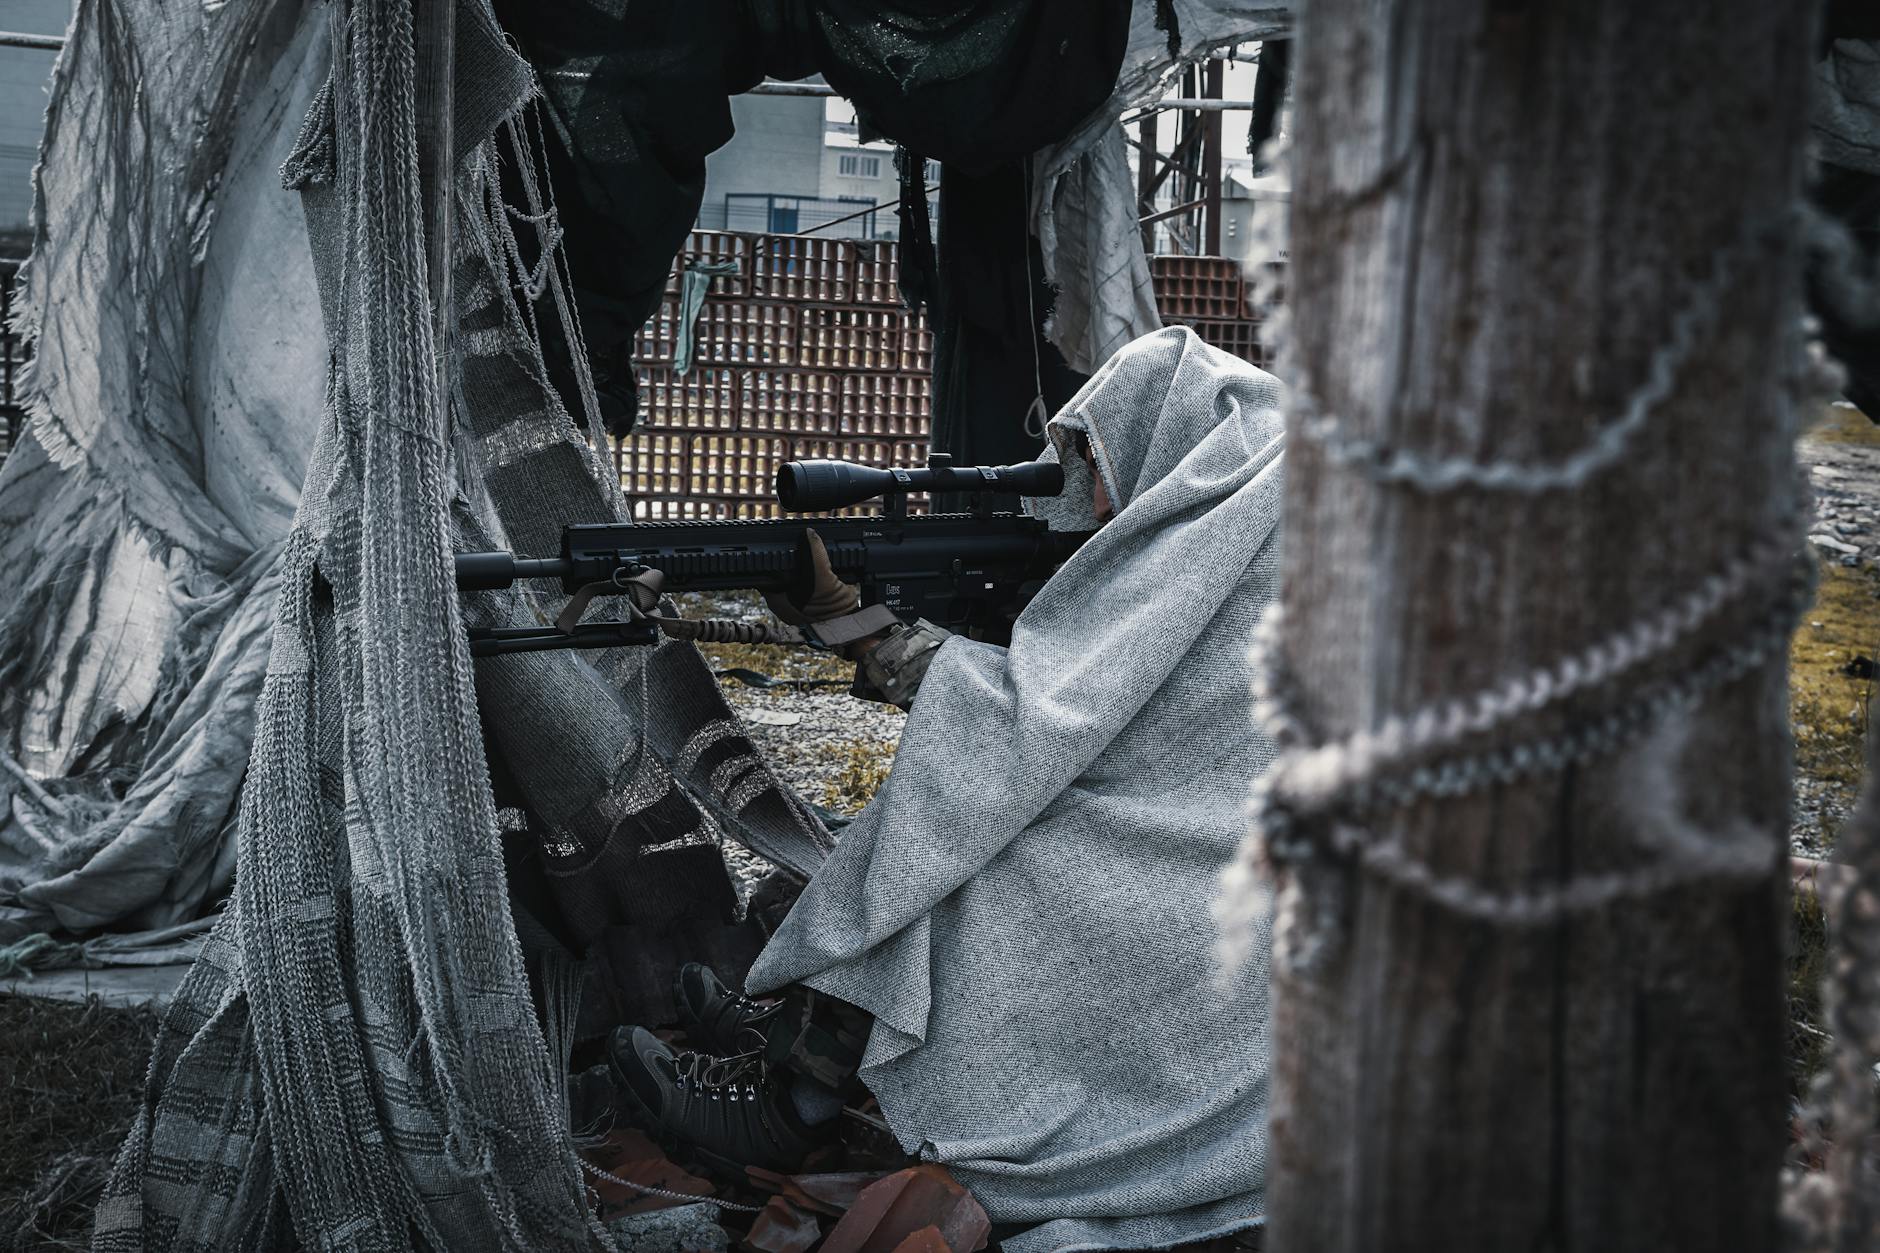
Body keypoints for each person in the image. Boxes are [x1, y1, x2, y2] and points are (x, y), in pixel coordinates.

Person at [608, 326, 1287, 1252]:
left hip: (1246, 882)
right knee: (986, 799)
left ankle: (801, 1093)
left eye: (1095, 460)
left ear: (1166, 435)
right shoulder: (1258, 488)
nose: (1087, 496)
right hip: (1244, 851)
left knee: (982, 826)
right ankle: (811, 1035)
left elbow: (1042, 718)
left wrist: (865, 625)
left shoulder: (1240, 507)